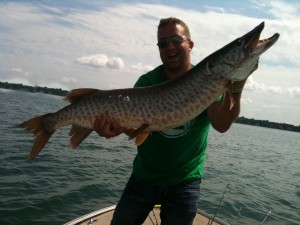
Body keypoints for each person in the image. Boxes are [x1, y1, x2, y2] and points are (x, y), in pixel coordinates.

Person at [94, 17, 253, 225]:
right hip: (144, 177)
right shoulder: (147, 82)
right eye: (163, 43)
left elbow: (221, 124)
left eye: (176, 40)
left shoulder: (209, 80)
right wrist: (115, 129)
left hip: (184, 182)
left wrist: (237, 86)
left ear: (190, 44)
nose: (169, 46)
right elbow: (135, 126)